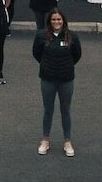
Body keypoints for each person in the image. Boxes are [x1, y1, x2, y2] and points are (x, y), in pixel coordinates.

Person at [32, 9, 82, 157]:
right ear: (49, 22)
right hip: (47, 79)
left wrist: (65, 65)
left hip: (66, 79)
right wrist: (47, 64)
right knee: (48, 110)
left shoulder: (72, 36)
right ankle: (45, 140)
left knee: (65, 110)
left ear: (63, 21)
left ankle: (67, 142)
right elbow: (36, 54)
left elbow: (77, 55)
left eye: (59, 20)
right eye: (53, 20)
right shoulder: (41, 36)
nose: (56, 22)